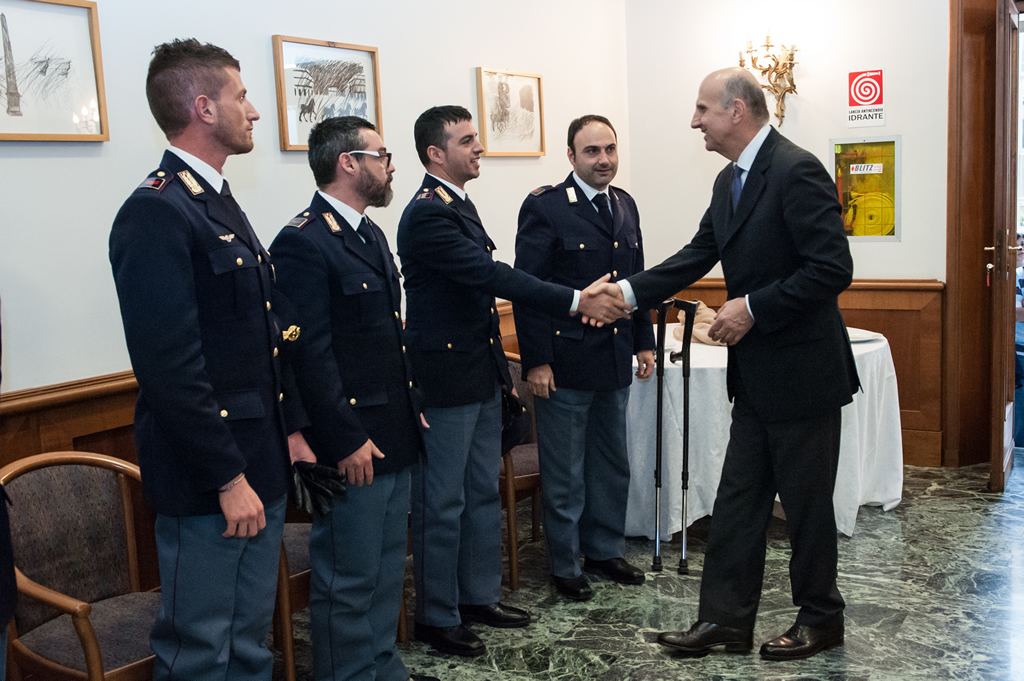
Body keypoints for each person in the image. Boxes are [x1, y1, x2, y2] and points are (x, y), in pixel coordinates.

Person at [593, 67, 860, 661]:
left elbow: (832, 270)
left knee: (807, 508)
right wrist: (628, 294)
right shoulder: (727, 181)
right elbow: (697, 253)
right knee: (738, 504)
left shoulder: (796, 170)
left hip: (805, 377)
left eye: (702, 110)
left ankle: (822, 619)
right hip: (758, 379)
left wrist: (754, 308)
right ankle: (723, 623)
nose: (695, 122)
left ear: (737, 111)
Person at [396, 105, 631, 657]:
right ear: (436, 153)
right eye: (468, 141)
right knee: (443, 502)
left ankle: (477, 597)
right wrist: (575, 299)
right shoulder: (428, 212)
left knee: (480, 494)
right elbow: (490, 276)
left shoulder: (458, 204)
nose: (479, 148)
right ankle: (438, 614)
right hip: (446, 380)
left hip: (479, 373)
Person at [109, 39, 311, 680]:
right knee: (200, 650)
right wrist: (228, 478)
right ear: (203, 107)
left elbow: (263, 340)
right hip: (210, 479)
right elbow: (171, 369)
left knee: (250, 644)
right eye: (241, 96)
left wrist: (289, 438)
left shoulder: (217, 200)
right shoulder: (157, 211)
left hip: (260, 458)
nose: (253, 111)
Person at [269, 117, 436, 681]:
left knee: (390, 569)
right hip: (352, 443)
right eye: (381, 154)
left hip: (392, 432)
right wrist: (343, 438)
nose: (390, 165)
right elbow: (308, 355)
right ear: (348, 162)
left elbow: (387, 335)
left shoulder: (367, 232)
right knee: (349, 577)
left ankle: (381, 667)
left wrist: (411, 406)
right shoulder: (303, 240)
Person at [513, 115, 656, 601]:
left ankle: (605, 550)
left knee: (611, 464)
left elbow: (635, 282)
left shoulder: (625, 204)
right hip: (565, 364)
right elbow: (529, 290)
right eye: (592, 151)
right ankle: (565, 562)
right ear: (571, 157)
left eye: (610, 149)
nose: (604, 160)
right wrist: (536, 361)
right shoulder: (546, 208)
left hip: (614, 360)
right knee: (566, 472)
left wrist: (643, 341)